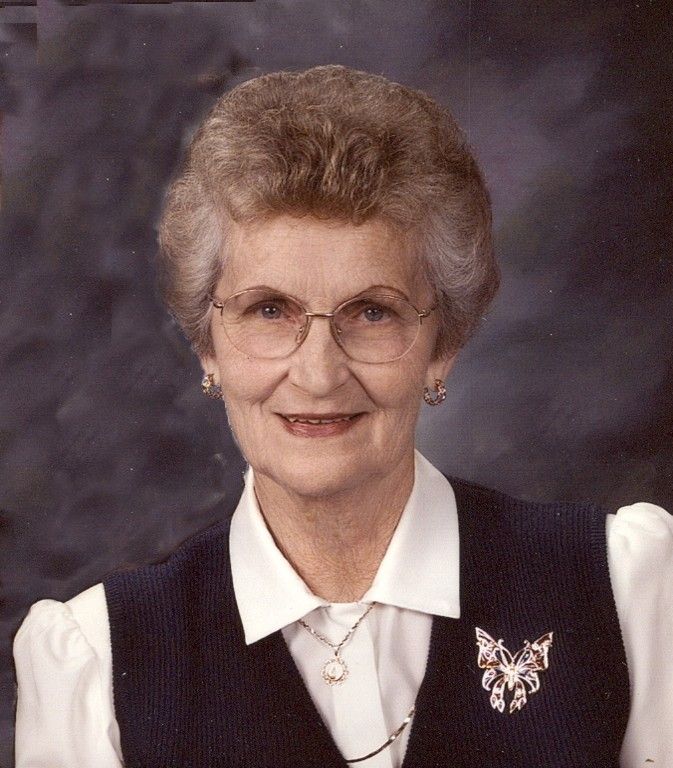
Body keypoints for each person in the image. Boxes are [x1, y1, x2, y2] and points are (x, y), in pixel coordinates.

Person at [13, 65, 672, 768]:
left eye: (373, 312)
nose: (319, 374)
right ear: (208, 345)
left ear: (441, 346)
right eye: (270, 310)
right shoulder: (96, 657)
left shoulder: (625, 590)